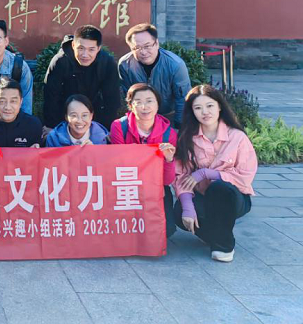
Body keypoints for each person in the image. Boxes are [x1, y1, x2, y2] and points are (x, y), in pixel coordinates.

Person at [173, 84, 257, 262]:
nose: (205, 112)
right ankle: (216, 233)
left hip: (233, 198)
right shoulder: (186, 138)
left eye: (209, 105)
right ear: (192, 112)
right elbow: (181, 176)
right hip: (203, 198)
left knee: (219, 188)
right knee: (179, 212)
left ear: (219, 106)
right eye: (198, 108)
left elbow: (245, 175)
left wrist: (206, 173)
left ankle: (223, 246)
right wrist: (188, 207)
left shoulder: (237, 137)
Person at [109, 83, 178, 237]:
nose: (144, 106)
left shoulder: (169, 134)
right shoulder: (119, 127)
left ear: (158, 104)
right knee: (124, 229)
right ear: (130, 106)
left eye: (149, 101)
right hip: (127, 185)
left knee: (166, 230)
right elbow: (118, 165)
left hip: (156, 186)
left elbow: (167, 181)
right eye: (138, 102)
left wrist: (168, 160)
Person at [43, 25, 120, 130]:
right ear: (73, 45)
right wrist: (51, 126)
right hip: (65, 114)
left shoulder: (107, 63)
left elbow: (112, 99)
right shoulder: (60, 61)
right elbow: (51, 97)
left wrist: (108, 128)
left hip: (93, 113)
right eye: (81, 48)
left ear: (98, 48)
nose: (85, 55)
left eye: (91, 50)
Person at [118, 23, 192, 128]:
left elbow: (183, 99)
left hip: (169, 115)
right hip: (141, 116)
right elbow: (130, 97)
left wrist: (179, 127)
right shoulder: (125, 65)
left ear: (156, 43)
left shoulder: (175, 65)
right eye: (137, 48)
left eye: (147, 46)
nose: (143, 52)